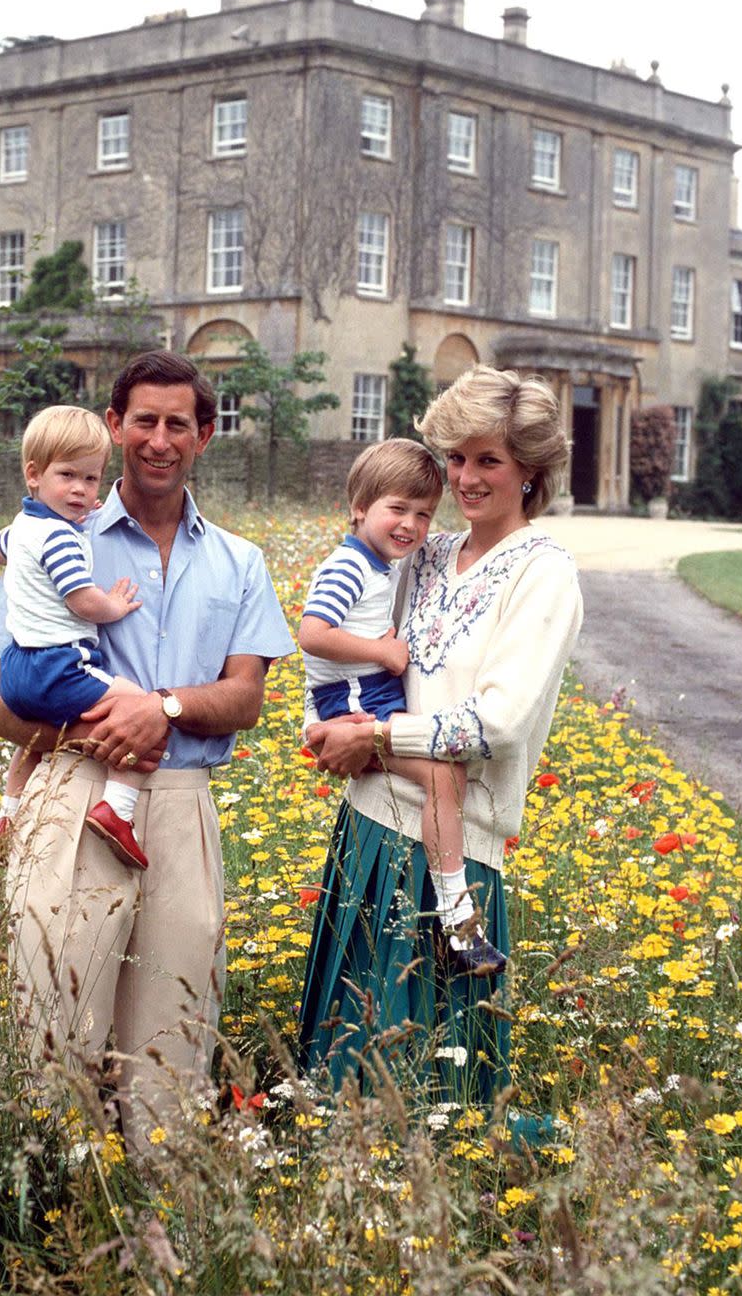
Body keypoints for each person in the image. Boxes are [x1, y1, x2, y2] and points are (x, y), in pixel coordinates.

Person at [0, 351, 294, 1146]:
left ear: (204, 436)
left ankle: (162, 1214)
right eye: (142, 420)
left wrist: (166, 708)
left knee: (175, 1024)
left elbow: (245, 697)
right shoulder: (56, 533)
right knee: (55, 1016)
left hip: (182, 805)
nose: (158, 439)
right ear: (114, 428)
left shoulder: (238, 561)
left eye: (176, 423)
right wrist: (97, 731)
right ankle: (59, 1210)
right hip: (77, 792)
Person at [299, 365, 583, 1111]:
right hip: (367, 827)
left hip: (454, 852)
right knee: (345, 1070)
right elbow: (346, 638)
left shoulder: (543, 574)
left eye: (487, 459)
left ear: (531, 471)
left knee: (429, 1092)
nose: (464, 477)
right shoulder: (420, 552)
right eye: (456, 457)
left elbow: (495, 723)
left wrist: (375, 736)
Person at [298, 439, 504, 973]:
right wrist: (383, 652)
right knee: (442, 778)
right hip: (361, 706)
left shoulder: (382, 566)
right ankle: (458, 923)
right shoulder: (349, 568)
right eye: (397, 508)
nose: (410, 524)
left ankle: (455, 915)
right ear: (360, 507)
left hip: (370, 702)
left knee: (447, 778)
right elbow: (312, 634)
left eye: (424, 514)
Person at [0, 404, 149, 869]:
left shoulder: (22, 527)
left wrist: (69, 518)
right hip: (60, 664)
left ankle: (9, 813)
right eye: (68, 477)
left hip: (17, 667)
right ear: (34, 474)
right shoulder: (59, 538)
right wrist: (113, 605)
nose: (80, 490)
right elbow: (81, 599)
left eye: (91, 480)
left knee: (33, 742)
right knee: (140, 709)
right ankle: (117, 811)